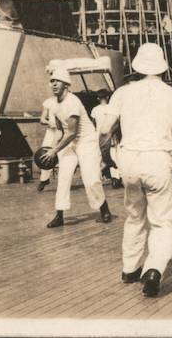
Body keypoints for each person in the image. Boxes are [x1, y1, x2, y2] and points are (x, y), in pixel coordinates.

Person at [98, 43, 172, 297]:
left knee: (134, 215)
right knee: (163, 221)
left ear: (138, 66)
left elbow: (104, 132)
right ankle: (153, 269)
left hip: (129, 161)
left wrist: (107, 161)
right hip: (158, 160)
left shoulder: (121, 93)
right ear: (162, 67)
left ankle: (130, 268)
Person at [39, 68, 112, 228]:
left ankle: (104, 208)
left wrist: (54, 151)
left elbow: (71, 133)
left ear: (66, 84)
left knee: (91, 179)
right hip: (70, 143)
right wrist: (51, 148)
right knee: (63, 177)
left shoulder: (72, 102)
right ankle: (59, 215)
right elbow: (60, 130)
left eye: (58, 81)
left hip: (87, 142)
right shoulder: (53, 104)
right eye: (52, 81)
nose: (54, 84)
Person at [91, 89, 122, 188]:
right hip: (111, 135)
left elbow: (93, 123)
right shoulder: (112, 108)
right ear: (108, 97)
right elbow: (116, 122)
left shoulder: (95, 110)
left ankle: (95, 179)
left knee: (98, 158)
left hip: (98, 135)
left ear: (98, 98)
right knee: (113, 155)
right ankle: (115, 178)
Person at [36, 79, 63, 192]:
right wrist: (49, 122)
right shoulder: (48, 102)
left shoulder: (66, 101)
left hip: (63, 132)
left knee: (62, 155)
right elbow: (42, 119)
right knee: (45, 154)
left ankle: (63, 182)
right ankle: (44, 179)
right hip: (51, 132)